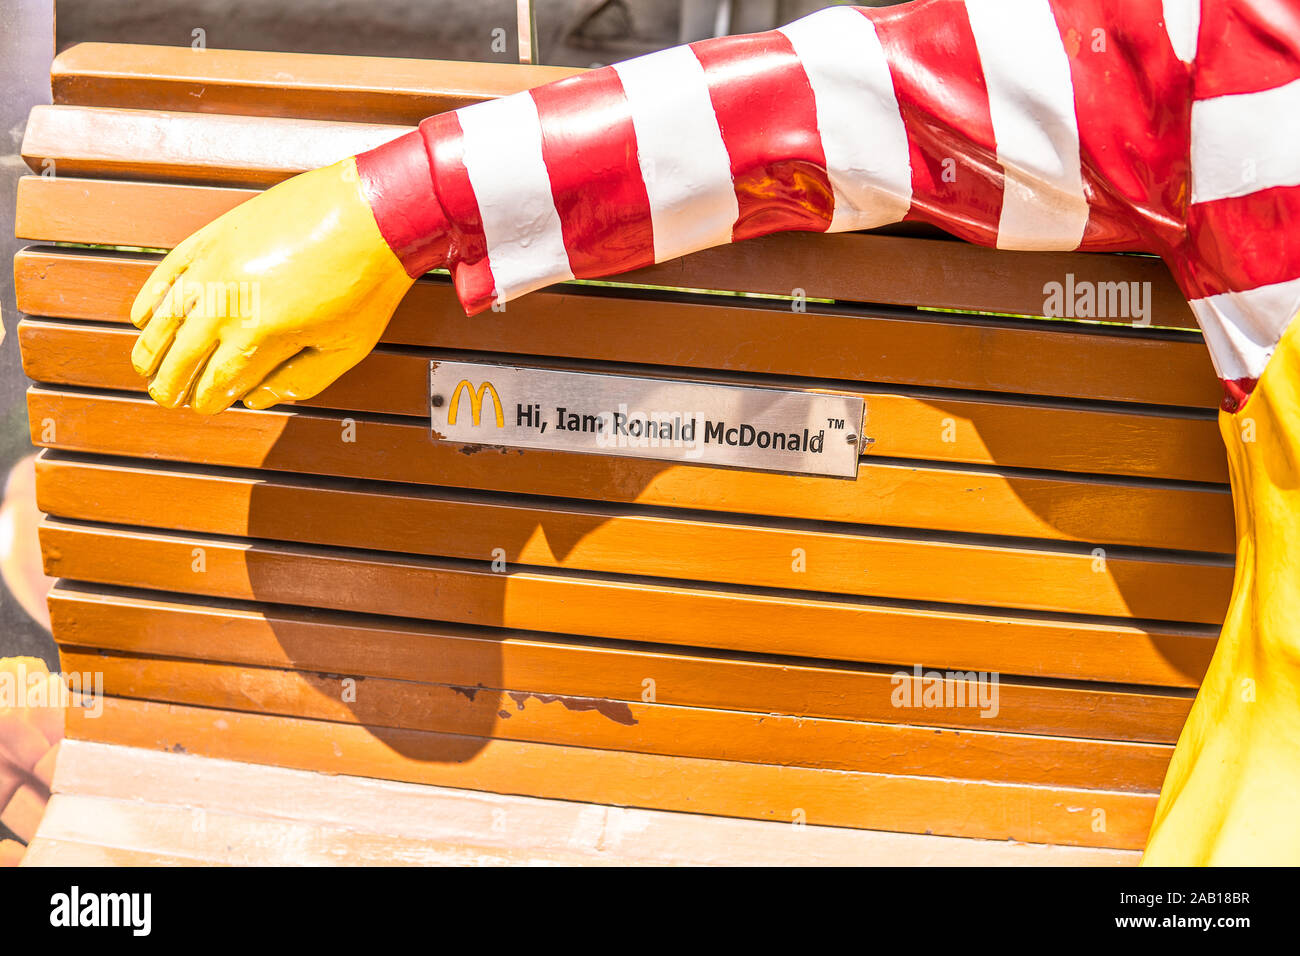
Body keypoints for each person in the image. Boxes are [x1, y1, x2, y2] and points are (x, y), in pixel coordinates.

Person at [126, 0, 1300, 864]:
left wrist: (396, 205)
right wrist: (399, 206)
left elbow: (829, 107)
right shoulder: (1242, 58)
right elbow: (831, 106)